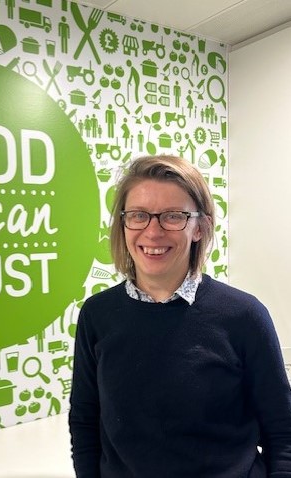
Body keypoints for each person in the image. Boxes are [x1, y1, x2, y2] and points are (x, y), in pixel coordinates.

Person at [69, 154, 291, 477]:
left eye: (173, 216)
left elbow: (283, 432)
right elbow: (85, 424)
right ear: (123, 224)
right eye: (138, 215)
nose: (153, 231)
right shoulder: (97, 316)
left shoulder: (245, 317)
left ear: (199, 227)